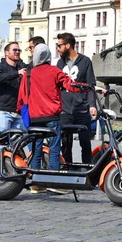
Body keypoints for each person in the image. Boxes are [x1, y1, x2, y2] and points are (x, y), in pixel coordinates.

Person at [17, 44, 80, 194]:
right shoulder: (54, 71)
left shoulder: (28, 74)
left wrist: (24, 111)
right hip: (52, 116)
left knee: (36, 149)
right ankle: (55, 182)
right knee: (54, 148)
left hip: (34, 118)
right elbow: (70, 85)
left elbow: (21, 99)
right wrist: (84, 87)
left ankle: (36, 183)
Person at [56, 32, 97, 164]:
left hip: (82, 109)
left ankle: (87, 169)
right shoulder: (59, 63)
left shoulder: (85, 61)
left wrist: (92, 105)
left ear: (68, 45)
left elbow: (91, 85)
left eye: (59, 45)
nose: (58, 48)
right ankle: (68, 169)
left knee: (85, 143)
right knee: (66, 144)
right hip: (65, 110)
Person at [0, 42, 27, 155]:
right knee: (1, 144)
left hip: (18, 113)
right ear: (6, 52)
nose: (17, 52)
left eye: (19, 50)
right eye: (14, 50)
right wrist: (16, 74)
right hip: (2, 111)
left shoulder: (22, 67)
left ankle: (11, 169)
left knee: (18, 143)